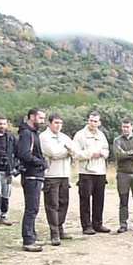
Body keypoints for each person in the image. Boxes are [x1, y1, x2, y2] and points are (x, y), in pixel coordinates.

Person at [40, 113, 76, 246]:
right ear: (49, 123)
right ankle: (54, 233)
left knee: (63, 203)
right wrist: (67, 151)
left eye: (60, 123)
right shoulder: (44, 137)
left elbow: (75, 151)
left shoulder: (65, 137)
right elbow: (53, 153)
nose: (58, 125)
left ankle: (60, 228)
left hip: (64, 174)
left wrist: (69, 151)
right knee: (52, 205)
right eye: (56, 123)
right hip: (51, 175)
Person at [73, 111, 110, 235]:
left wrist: (101, 154)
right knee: (85, 200)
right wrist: (90, 154)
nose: (93, 123)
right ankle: (86, 226)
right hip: (86, 171)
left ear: (99, 123)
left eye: (95, 121)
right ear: (88, 121)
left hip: (100, 171)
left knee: (99, 199)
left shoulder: (102, 135)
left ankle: (98, 224)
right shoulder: (80, 135)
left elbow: (106, 150)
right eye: (91, 120)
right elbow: (75, 153)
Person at [17, 108, 47, 252]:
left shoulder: (33, 133)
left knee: (33, 208)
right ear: (32, 117)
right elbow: (24, 154)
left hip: (35, 175)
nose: (42, 121)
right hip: (31, 175)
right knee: (32, 208)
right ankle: (28, 240)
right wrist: (40, 162)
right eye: (40, 118)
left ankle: (31, 236)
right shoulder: (27, 133)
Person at [113, 118, 133, 233]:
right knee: (123, 200)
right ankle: (123, 224)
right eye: (123, 127)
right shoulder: (117, 140)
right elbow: (118, 156)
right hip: (123, 174)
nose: (125, 129)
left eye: (127, 127)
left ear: (132, 127)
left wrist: (126, 154)